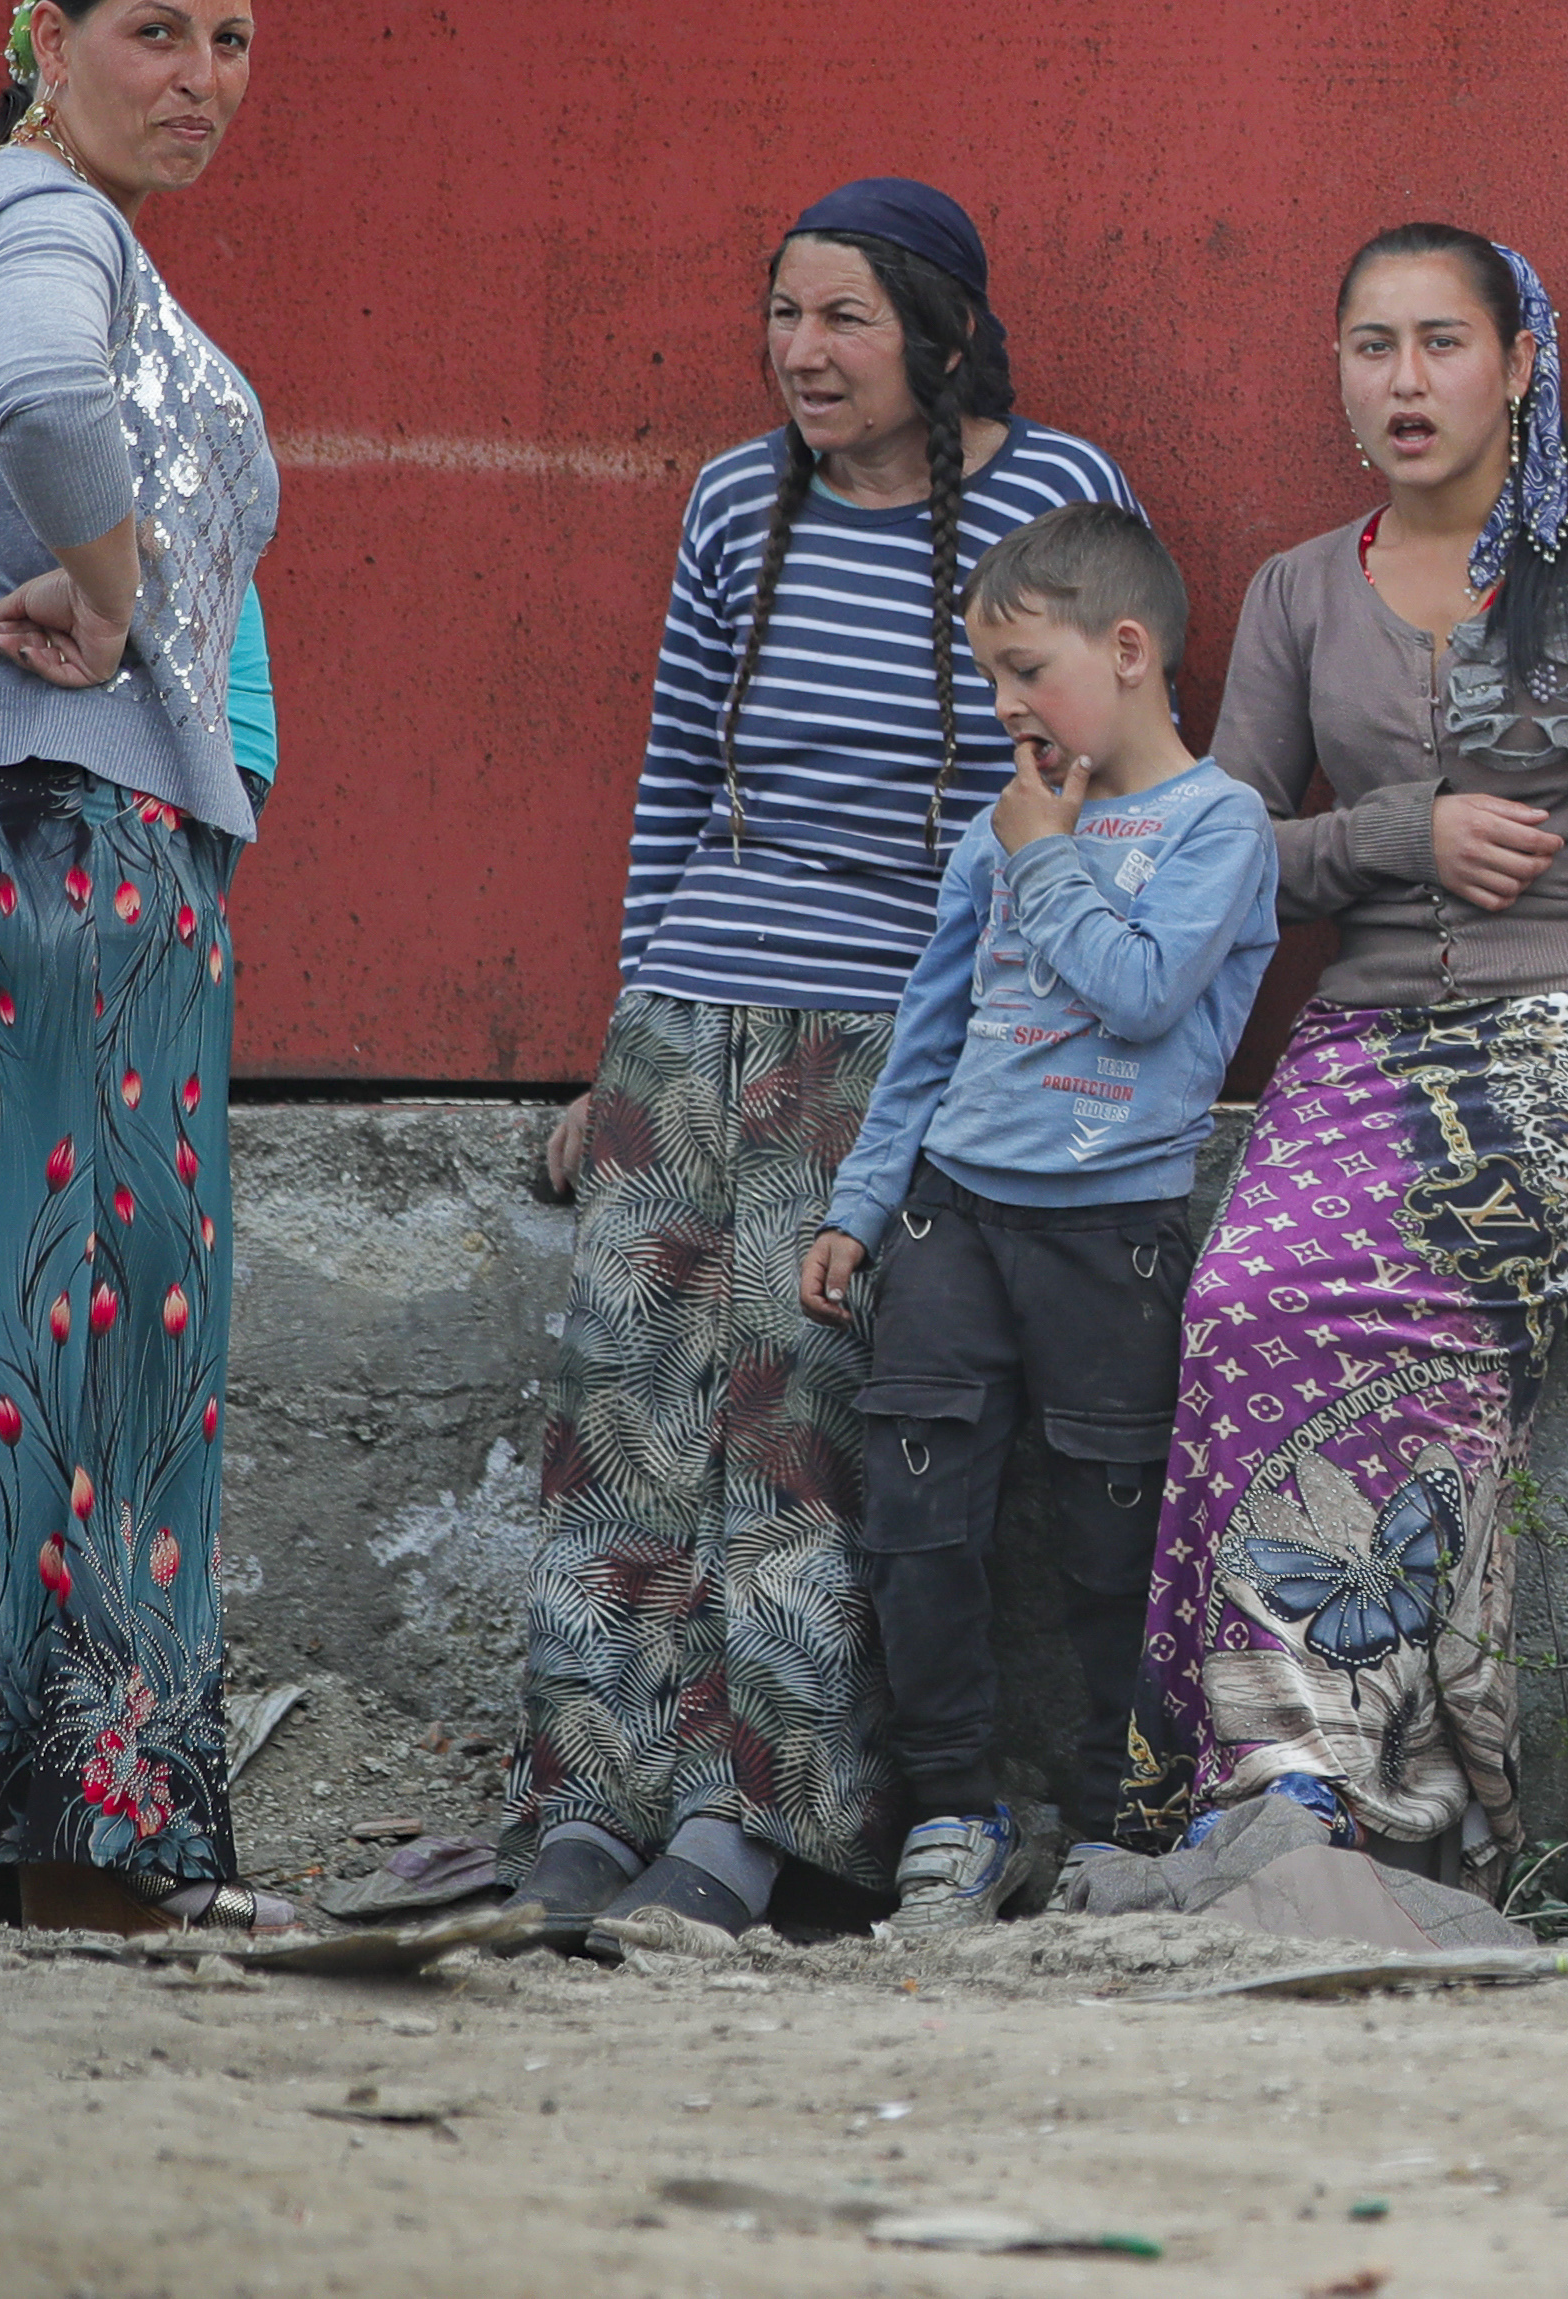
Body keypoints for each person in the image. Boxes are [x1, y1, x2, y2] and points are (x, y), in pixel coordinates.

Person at [518, 180, 1141, 1941]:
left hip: (889, 1028)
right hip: (693, 1023)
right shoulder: (736, 499)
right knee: (626, 1425)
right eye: (784, 312)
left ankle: (753, 1824)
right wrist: (617, 1044)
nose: (805, 351)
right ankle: (585, 1798)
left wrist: (1001, 1066)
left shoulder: (1053, 497)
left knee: (801, 1432)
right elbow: (665, 788)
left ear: (943, 333)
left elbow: (1091, 792)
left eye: (847, 316)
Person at [1139, 225, 1568, 1869]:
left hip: (1552, 1042)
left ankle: (1356, 1783)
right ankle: (1273, 1781)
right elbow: (1220, 847)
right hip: (1358, 1036)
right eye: (1372, 346)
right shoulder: (1300, 590)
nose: (1406, 380)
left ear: (1519, 365)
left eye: (1441, 343)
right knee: (1243, 1307)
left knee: (1409, 1349)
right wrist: (1398, 831)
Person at [0, 0, 283, 1930]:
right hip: (64, 834)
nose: (199, 80)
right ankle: (96, 1849)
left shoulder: (12, 208)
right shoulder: (53, 222)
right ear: (44, 30)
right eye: (156, 34)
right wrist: (111, 597)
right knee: (108, 1347)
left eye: (231, 44)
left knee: (1, 1338)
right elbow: (40, 393)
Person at [801, 502, 1286, 1933]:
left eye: (1026, 669)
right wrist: (861, 1203)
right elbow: (930, 1033)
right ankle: (955, 1812)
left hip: (1111, 1238)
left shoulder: (1219, 825)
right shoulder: (998, 832)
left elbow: (1142, 992)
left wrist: (1044, 853)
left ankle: (1114, 1819)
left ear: (1128, 650)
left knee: (1110, 1537)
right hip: (952, 1220)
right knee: (917, 1518)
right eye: (993, 677)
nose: (1006, 705)